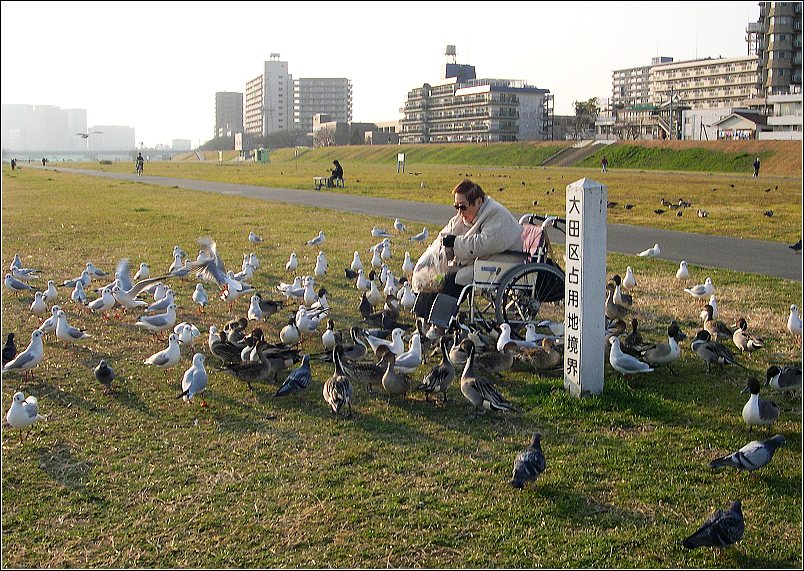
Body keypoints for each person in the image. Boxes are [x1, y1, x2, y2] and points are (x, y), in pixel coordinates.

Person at [414, 178, 524, 321]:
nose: (460, 212)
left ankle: (439, 322)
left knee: (454, 279)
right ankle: (422, 316)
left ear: (478, 202)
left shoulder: (496, 214)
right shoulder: (468, 215)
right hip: (481, 261)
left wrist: (455, 243)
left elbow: (487, 242)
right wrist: (439, 253)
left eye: (463, 207)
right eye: (456, 207)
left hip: (501, 261)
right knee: (437, 277)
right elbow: (450, 231)